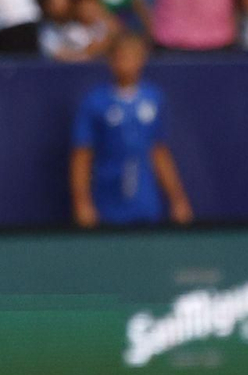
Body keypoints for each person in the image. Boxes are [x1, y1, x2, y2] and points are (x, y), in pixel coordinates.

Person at [69, 31, 192, 228]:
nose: (126, 63)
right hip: (107, 199)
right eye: (121, 56)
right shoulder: (94, 102)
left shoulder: (154, 98)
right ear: (111, 60)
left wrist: (177, 198)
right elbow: (82, 155)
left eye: (133, 56)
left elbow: (159, 152)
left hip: (145, 202)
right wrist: (82, 202)